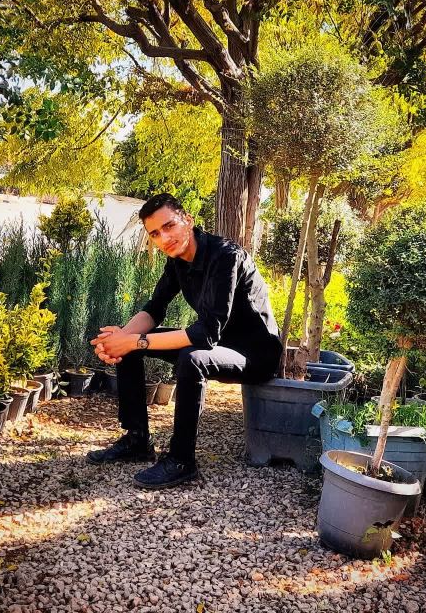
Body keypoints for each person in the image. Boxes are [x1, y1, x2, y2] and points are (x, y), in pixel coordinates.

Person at [87, 193, 282, 489]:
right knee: (131, 345)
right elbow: (155, 308)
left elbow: (206, 333)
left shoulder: (226, 256)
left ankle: (181, 460)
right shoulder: (177, 261)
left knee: (193, 359)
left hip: (255, 355)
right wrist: (120, 340)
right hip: (216, 343)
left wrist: (135, 341)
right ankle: (137, 440)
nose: (164, 238)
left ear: (187, 220)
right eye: (155, 233)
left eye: (169, 226)